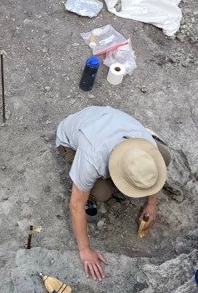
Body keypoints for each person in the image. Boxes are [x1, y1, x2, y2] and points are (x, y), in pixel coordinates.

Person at [55, 106, 170, 281]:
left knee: (164, 156)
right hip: (72, 138)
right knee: (102, 193)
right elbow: (76, 204)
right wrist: (85, 250)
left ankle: (122, 176)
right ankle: (103, 182)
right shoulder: (92, 157)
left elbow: (153, 170)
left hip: (104, 124)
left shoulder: (146, 144)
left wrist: (152, 204)